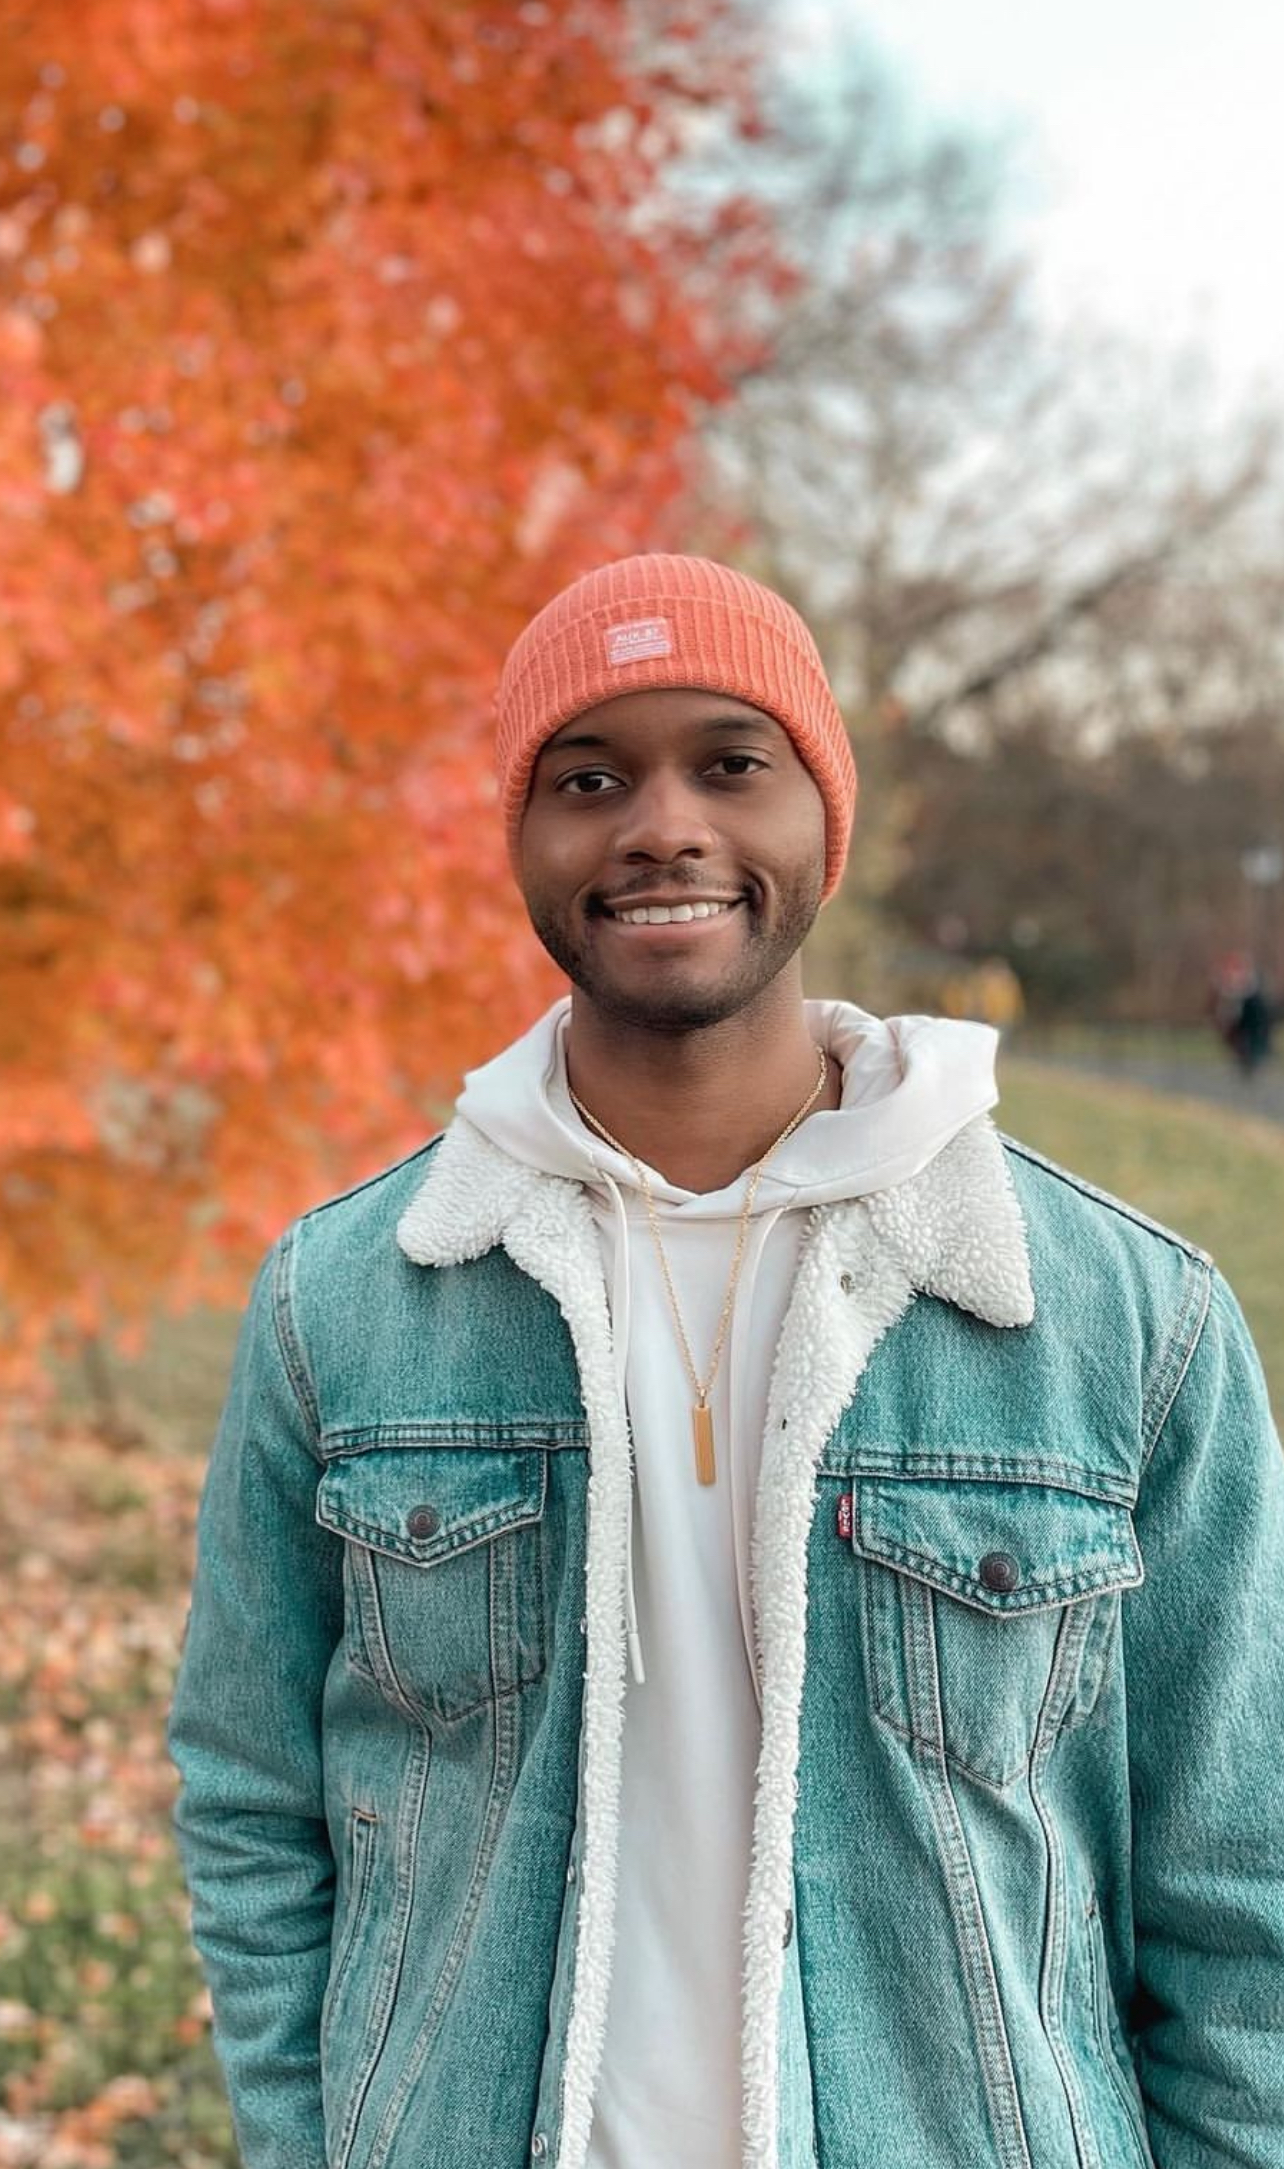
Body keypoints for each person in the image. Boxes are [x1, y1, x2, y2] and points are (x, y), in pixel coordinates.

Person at [168, 554, 1284, 2169]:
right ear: (523, 838)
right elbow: (253, 1805)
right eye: (589, 776)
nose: (662, 825)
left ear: (822, 815)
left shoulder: (1122, 1315)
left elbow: (1241, 1890)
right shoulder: (343, 1302)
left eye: (730, 761)